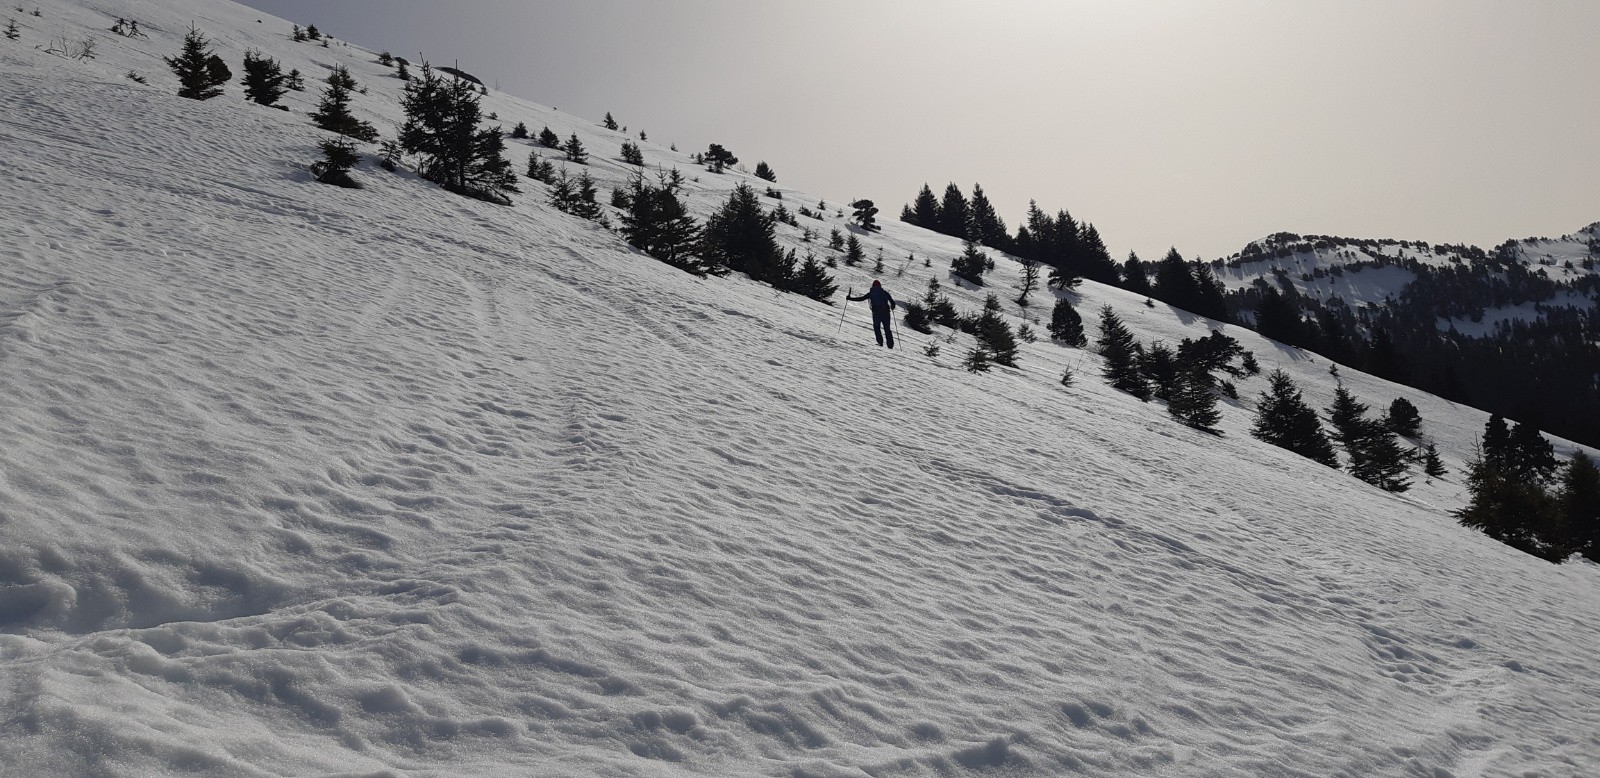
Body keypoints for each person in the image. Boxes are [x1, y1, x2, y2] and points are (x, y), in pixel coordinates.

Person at [847, 280, 897, 348]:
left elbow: (861, 298)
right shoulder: (885, 293)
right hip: (886, 314)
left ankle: (880, 343)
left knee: (877, 328)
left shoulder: (871, 293)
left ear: (873, 286)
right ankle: (890, 345)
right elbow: (892, 302)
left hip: (876, 314)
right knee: (887, 329)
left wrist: (850, 298)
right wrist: (892, 307)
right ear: (880, 285)